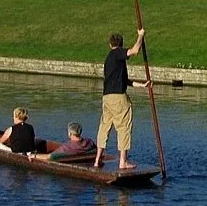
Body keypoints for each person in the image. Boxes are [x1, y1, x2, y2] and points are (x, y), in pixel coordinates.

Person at [93, 28, 151, 170]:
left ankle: (97, 159)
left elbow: (126, 81)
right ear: (120, 44)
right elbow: (134, 51)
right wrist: (140, 36)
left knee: (104, 126)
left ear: (109, 44)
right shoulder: (117, 53)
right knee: (124, 127)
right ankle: (123, 162)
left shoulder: (109, 60)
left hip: (106, 98)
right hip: (118, 98)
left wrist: (143, 85)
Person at [29, 122, 96, 161]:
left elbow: (50, 157)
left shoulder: (67, 147)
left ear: (70, 133)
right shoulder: (89, 141)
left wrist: (34, 156)